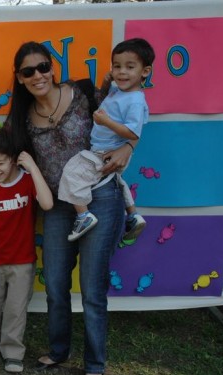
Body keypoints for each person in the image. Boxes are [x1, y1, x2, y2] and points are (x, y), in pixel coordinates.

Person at [0, 41, 136, 375]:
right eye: (28, 71)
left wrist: (129, 146)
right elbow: (0, 161)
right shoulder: (19, 120)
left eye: (43, 67)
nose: (38, 75)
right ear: (20, 78)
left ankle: (94, 363)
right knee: (55, 283)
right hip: (58, 207)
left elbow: (128, 115)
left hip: (99, 197)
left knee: (92, 286)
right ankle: (59, 351)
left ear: (52, 68)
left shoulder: (83, 94)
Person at [0, 127, 53, 373]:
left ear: (14, 159)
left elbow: (47, 204)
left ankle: (13, 352)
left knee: (16, 310)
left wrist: (33, 167)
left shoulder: (27, 181)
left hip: (22, 262)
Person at [59, 38, 154, 242]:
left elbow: (133, 133)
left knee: (71, 173)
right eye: (117, 66)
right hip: (104, 148)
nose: (121, 72)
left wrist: (106, 122)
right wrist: (104, 84)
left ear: (145, 71)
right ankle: (133, 215)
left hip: (107, 151)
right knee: (115, 179)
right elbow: (106, 100)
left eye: (130, 67)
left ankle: (83, 215)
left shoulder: (136, 101)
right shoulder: (121, 92)